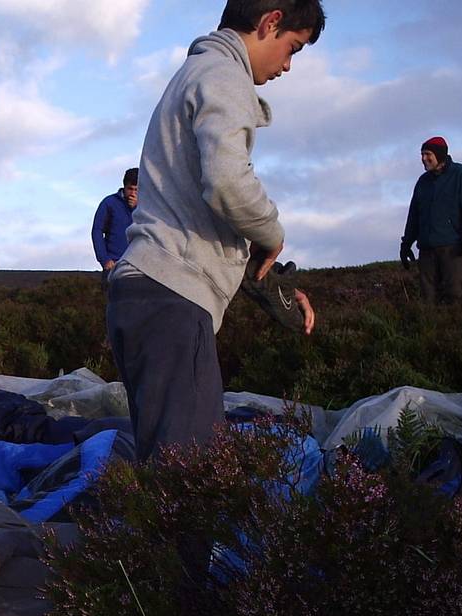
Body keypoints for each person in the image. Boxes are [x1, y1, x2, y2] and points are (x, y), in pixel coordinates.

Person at [106, 0, 323, 462]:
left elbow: (203, 221)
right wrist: (271, 232)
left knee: (163, 478)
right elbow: (227, 181)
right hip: (172, 304)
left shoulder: (192, 75)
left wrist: (277, 292)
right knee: (190, 483)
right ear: (272, 22)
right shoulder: (224, 76)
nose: (286, 66)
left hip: (142, 292)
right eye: (292, 49)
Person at [400, 136, 462, 304]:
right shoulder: (423, 182)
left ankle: (455, 329)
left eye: (427, 154)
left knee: (455, 296)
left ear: (439, 154)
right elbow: (414, 215)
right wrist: (406, 243)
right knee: (427, 300)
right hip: (427, 251)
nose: (423, 159)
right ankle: (431, 329)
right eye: (422, 154)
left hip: (453, 249)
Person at [92, 168, 138, 284]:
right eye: (130, 189)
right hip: (114, 266)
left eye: (137, 190)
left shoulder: (147, 206)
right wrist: (105, 259)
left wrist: (137, 207)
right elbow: (97, 230)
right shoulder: (109, 203)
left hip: (139, 267)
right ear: (124, 187)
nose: (133, 193)